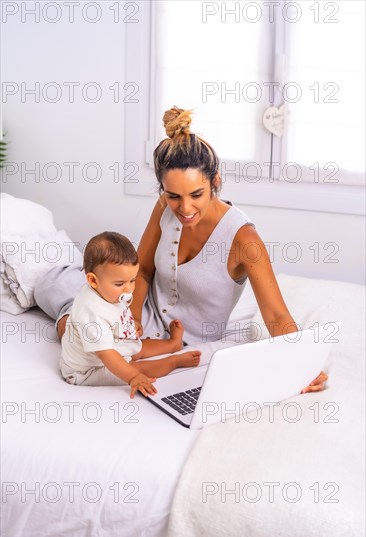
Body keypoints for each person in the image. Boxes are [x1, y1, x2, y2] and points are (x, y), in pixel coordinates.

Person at [35, 106, 327, 394]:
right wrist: (133, 316)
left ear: (215, 182)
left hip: (188, 339)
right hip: (139, 313)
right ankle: (73, 318)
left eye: (196, 195)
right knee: (53, 282)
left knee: (76, 328)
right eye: (173, 196)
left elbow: (276, 316)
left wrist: (302, 365)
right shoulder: (164, 208)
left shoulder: (244, 240)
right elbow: (144, 269)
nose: (184, 209)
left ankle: (69, 321)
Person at [60, 231, 200, 398]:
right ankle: (174, 361)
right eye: (120, 283)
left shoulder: (109, 291)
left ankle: (172, 344)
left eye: (132, 280)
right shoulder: (90, 312)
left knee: (138, 347)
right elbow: (106, 354)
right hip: (89, 369)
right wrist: (133, 377)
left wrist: (131, 325)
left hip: (115, 344)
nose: (128, 288)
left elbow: (117, 315)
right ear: (93, 280)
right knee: (136, 367)